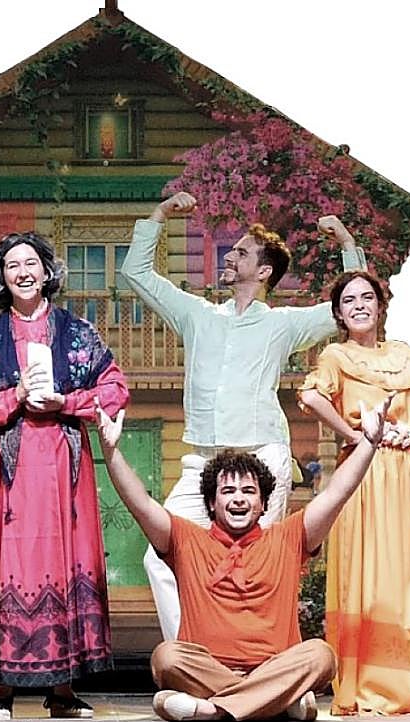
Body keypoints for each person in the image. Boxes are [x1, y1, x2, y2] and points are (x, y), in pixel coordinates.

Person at [118, 190, 367, 640]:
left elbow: (347, 308)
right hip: (205, 461)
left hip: (262, 456)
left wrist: (348, 243)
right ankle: (190, 655)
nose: (229, 257)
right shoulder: (197, 315)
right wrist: (159, 214)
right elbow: (136, 273)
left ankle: (260, 653)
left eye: (241, 252)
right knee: (160, 557)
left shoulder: (282, 324)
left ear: (264, 271)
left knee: (260, 562)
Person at [94, 393, 392, 722]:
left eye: (249, 492)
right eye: (228, 491)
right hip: (209, 670)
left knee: (321, 656)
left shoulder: (288, 537)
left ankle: (213, 708)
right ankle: (275, 702)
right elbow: (140, 503)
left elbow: (337, 493)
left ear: (263, 504)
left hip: (274, 666)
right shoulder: (185, 539)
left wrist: (369, 443)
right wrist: (111, 452)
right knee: (167, 657)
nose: (239, 499)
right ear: (212, 503)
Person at [0, 232, 129, 720]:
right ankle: (1, 690)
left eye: (31, 263)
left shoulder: (78, 333)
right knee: (7, 563)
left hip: (61, 465)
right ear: (1, 278)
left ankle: (63, 691)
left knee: (61, 561)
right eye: (13, 265)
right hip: (6, 471)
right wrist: (13, 397)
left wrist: (66, 401)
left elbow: (115, 389)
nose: (23, 272)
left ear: (48, 272)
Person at [299, 270, 410, 715]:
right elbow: (313, 397)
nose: (359, 305)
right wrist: (355, 436)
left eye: (367, 298)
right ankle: (371, 683)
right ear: (339, 314)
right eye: (349, 300)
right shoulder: (336, 356)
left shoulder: (405, 356)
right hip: (363, 475)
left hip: (408, 477)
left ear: (380, 306)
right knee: (372, 575)